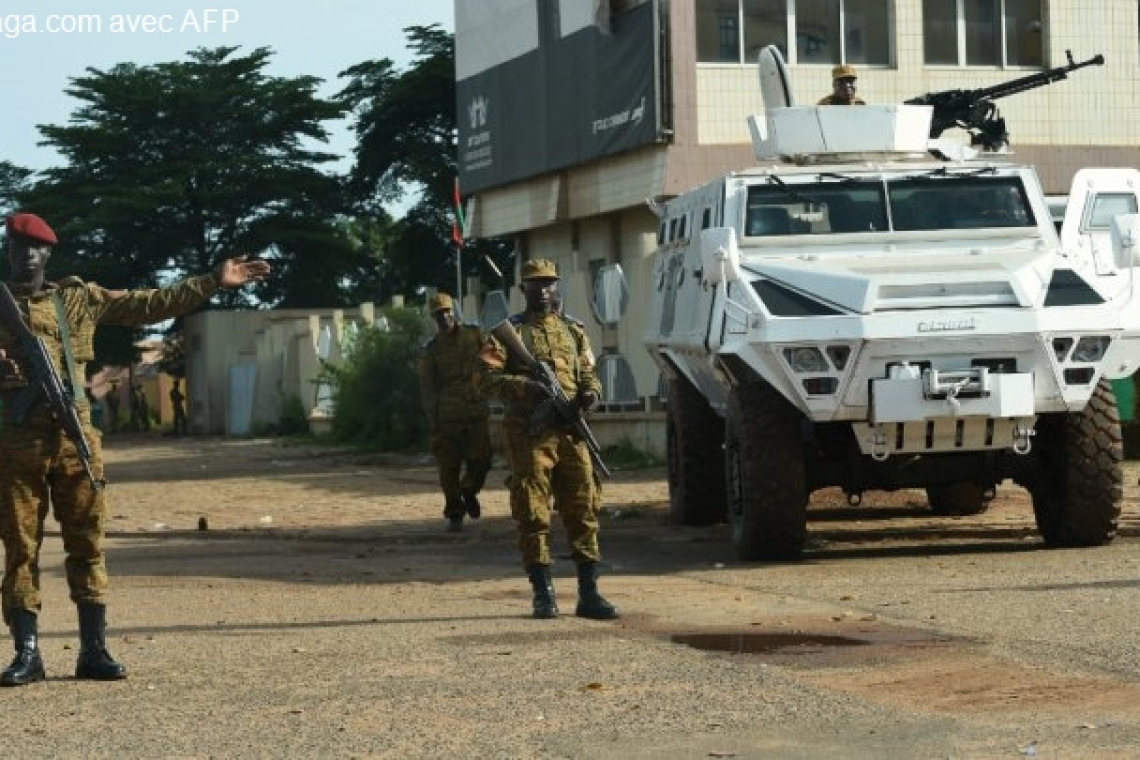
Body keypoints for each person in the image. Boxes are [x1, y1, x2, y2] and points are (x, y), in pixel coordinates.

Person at [0, 211, 270, 686]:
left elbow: (151, 303)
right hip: (14, 442)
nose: (27, 257)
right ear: (8, 251)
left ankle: (94, 650)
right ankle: (27, 652)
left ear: (50, 254)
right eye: (18, 248)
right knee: (21, 547)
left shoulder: (77, 299)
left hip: (73, 437)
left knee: (87, 541)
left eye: (36, 249)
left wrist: (213, 281)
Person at [476, 258, 618, 621]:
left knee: (584, 509)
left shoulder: (574, 331)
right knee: (532, 511)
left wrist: (590, 395)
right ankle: (543, 594)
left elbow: (589, 372)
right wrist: (527, 387)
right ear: (523, 289)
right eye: (536, 284)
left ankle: (589, 594)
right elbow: (485, 380)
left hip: (571, 433)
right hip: (530, 435)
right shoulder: (509, 333)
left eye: (550, 283)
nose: (544, 290)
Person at [416, 293, 492, 533]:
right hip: (447, 415)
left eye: (447, 312)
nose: (444, 317)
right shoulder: (432, 349)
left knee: (482, 459)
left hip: (475, 409)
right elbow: (428, 387)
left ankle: (469, 490)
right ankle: (455, 512)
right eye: (439, 314)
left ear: (454, 312)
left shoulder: (474, 334)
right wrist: (434, 423)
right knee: (448, 468)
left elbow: (493, 359)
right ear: (433, 318)